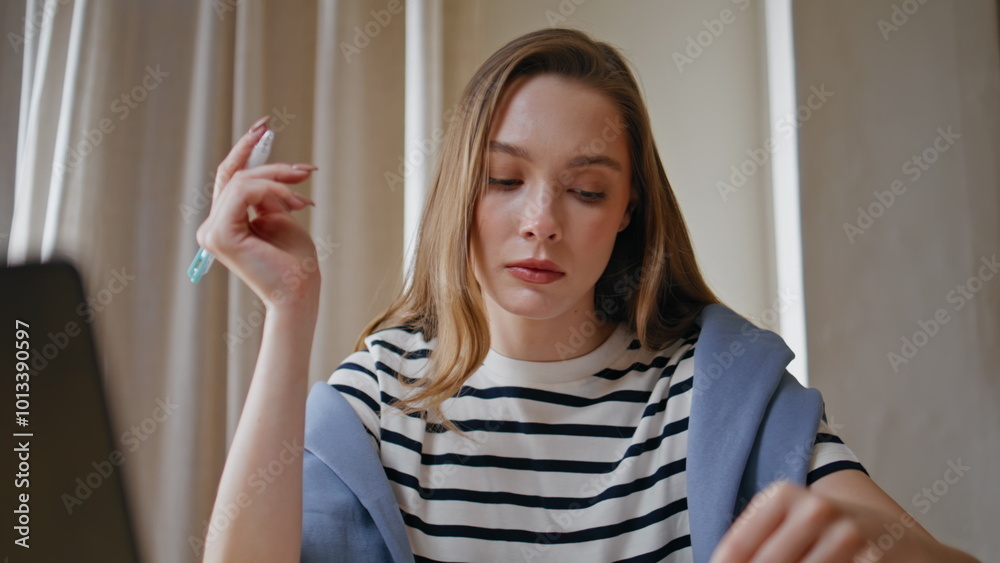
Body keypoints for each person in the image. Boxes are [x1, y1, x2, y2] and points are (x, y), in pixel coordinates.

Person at [198, 27, 978, 563]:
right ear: (461, 190)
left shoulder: (714, 394)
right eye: (505, 180)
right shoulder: (375, 405)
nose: (541, 224)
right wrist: (289, 306)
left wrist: (878, 541)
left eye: (585, 190)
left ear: (629, 209)